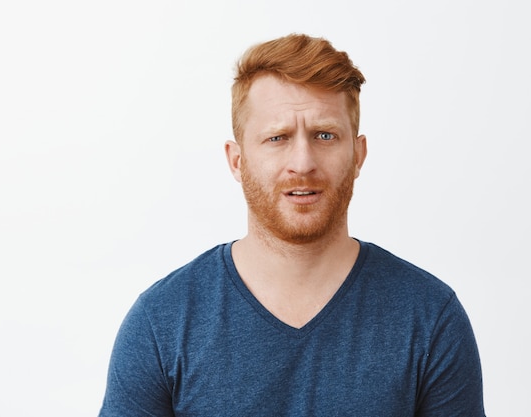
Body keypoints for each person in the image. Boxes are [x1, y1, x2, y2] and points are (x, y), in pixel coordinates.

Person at [98, 34, 485, 416]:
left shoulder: (430, 317)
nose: (302, 162)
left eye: (325, 135)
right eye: (277, 138)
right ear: (237, 161)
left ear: (358, 155)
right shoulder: (162, 322)